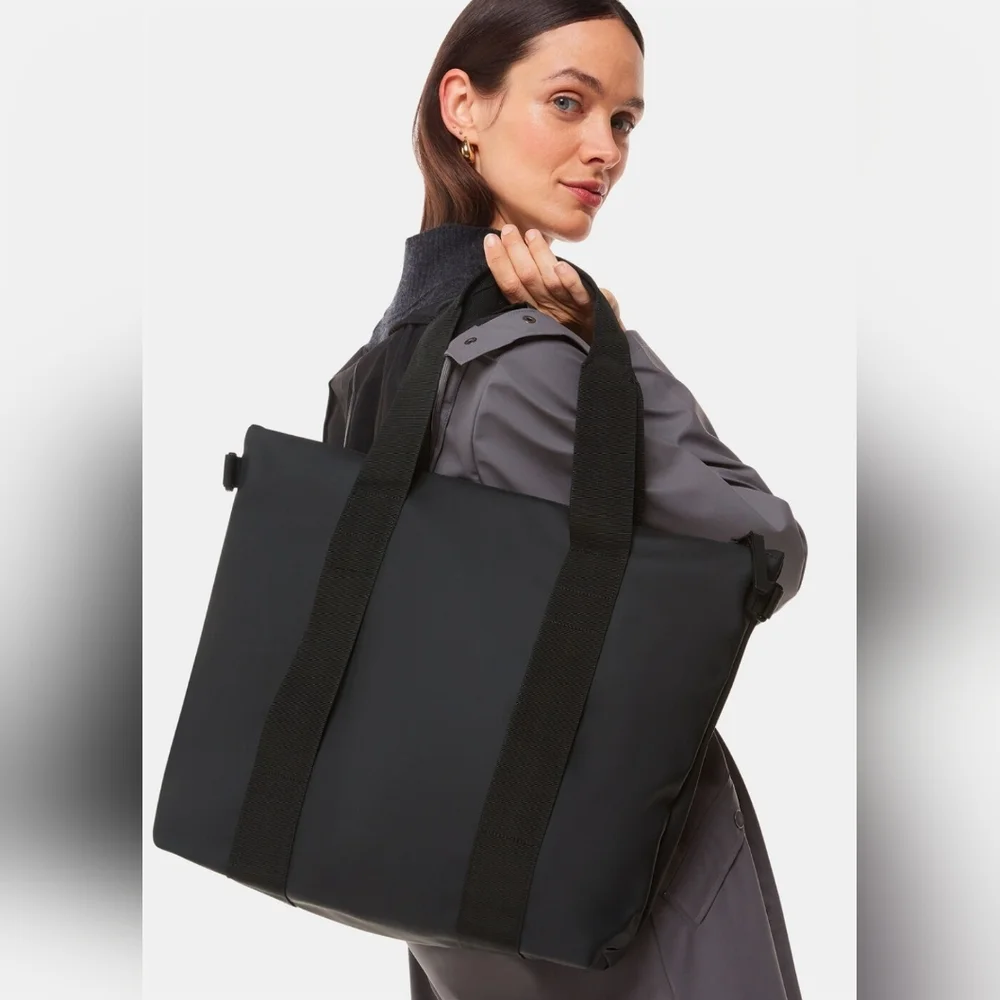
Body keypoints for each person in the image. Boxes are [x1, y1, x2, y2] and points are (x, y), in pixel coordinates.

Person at [325, 2, 808, 997]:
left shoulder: (372, 372)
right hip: (627, 880)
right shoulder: (536, 363)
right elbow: (764, 548)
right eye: (568, 103)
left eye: (624, 120)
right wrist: (614, 351)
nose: (605, 149)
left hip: (444, 880)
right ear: (463, 104)